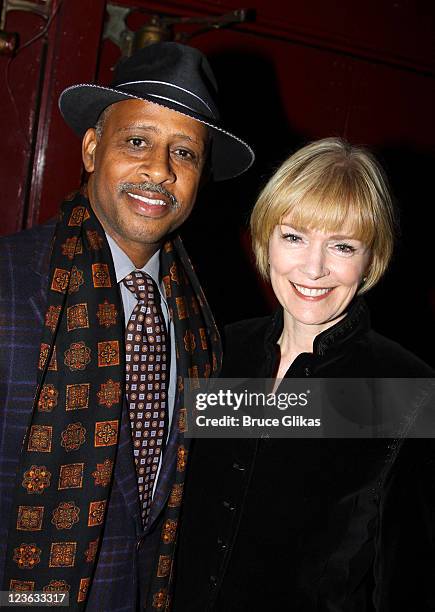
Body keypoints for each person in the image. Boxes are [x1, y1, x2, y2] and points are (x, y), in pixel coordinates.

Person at [0, 42, 254, 610]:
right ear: (92, 148)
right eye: (137, 141)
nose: (159, 171)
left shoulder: (205, 323)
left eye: (184, 153)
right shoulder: (9, 286)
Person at [173, 138, 435, 611]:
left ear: (370, 258)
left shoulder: (404, 390)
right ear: (264, 241)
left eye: (342, 245)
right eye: (294, 236)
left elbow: (411, 581)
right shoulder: (220, 350)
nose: (314, 268)